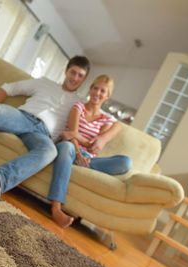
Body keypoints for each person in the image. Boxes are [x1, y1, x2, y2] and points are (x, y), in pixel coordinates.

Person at [0, 56, 91, 200]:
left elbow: (88, 123)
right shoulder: (44, 83)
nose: (75, 78)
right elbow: (8, 88)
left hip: (44, 135)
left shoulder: (80, 103)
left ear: (84, 80)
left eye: (80, 75)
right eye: (73, 72)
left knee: (50, 152)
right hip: (22, 117)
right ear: (66, 71)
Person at [47, 74, 132, 228]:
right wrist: (79, 152)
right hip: (69, 148)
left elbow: (94, 145)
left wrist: (99, 139)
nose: (97, 93)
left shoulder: (107, 120)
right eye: (95, 88)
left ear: (107, 96)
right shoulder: (78, 107)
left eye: (102, 91)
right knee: (67, 147)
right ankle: (56, 208)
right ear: (90, 89)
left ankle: (81, 164)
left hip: (88, 158)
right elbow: (70, 137)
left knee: (125, 162)